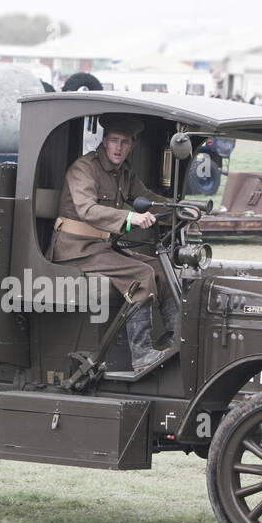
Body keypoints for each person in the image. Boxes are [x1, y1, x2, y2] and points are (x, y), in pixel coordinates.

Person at [52, 114, 176, 375]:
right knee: (141, 274)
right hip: (76, 249)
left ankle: (175, 339)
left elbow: (147, 198)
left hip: (100, 248)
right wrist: (130, 217)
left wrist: (180, 209)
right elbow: (87, 209)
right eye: (114, 141)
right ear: (105, 141)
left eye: (125, 142)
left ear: (131, 145)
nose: (119, 147)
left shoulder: (124, 173)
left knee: (159, 267)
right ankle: (142, 354)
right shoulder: (84, 169)